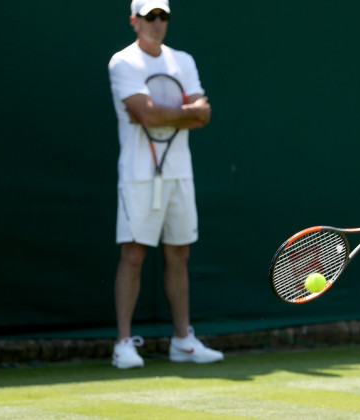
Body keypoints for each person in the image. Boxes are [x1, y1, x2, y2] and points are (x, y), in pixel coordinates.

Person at [107, 0, 223, 369]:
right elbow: (145, 113)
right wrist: (182, 113)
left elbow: (202, 114)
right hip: (138, 174)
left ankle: (182, 341)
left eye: (163, 16)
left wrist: (163, 113)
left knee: (180, 254)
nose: (157, 23)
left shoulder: (182, 61)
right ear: (134, 21)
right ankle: (123, 343)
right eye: (149, 16)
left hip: (179, 173)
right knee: (134, 254)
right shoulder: (122, 62)